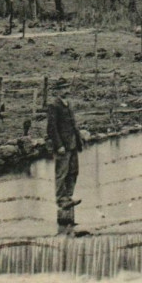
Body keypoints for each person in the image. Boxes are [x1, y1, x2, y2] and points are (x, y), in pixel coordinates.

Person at [47, 82, 83, 211]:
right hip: (63, 145)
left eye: (66, 87)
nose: (65, 90)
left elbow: (73, 123)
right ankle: (61, 200)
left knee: (73, 171)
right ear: (57, 91)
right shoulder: (54, 105)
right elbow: (51, 128)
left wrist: (79, 139)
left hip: (73, 143)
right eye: (62, 88)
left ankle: (68, 196)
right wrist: (59, 145)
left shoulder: (68, 103)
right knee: (61, 173)